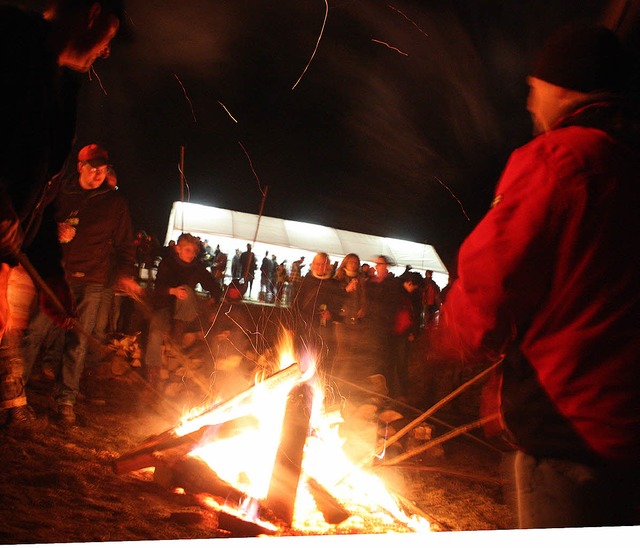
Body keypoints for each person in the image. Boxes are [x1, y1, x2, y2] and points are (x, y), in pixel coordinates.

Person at [440, 24, 640, 529]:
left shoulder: (558, 159)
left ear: (563, 87)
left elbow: (493, 279)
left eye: (533, 88)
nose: (529, 103)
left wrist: (451, 335)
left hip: (570, 427)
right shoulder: (629, 166)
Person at [0, 0, 123, 432]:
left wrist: (50, 273)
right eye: (109, 36)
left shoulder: (60, 84)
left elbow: (42, 192)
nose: (106, 51)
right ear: (92, 13)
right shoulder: (8, 41)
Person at [23, 144, 140, 424]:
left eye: (103, 168)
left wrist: (125, 274)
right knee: (34, 334)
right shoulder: (62, 194)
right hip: (56, 278)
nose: (99, 173)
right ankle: (13, 392)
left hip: (93, 281)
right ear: (80, 167)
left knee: (78, 343)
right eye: (93, 167)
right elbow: (36, 227)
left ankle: (66, 401)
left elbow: (125, 245)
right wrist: (55, 231)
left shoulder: (115, 203)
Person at [144, 233, 222, 390]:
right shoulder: (167, 264)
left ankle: (177, 338)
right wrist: (172, 291)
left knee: (186, 291)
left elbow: (212, 284)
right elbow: (158, 288)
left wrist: (214, 298)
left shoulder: (196, 267)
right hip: (164, 306)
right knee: (155, 333)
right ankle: (153, 372)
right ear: (178, 249)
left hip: (185, 311)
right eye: (187, 250)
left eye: (193, 251)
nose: (191, 254)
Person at [293, 252, 341, 375]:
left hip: (324, 331)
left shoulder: (334, 285)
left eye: (324, 264)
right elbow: (295, 305)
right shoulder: (305, 282)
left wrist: (332, 314)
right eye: (318, 264)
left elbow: (340, 308)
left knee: (322, 363)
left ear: (329, 266)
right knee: (303, 361)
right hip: (305, 329)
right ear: (313, 265)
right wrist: (292, 326)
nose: (321, 267)